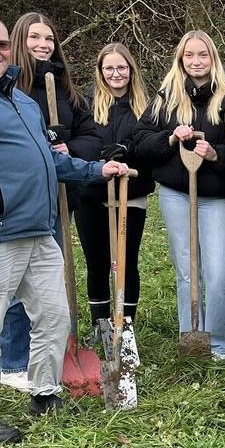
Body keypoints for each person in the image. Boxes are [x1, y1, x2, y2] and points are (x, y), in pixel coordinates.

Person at [0, 11, 128, 443]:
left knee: (54, 317)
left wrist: (95, 168)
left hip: (40, 230)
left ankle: (45, 392)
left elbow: (49, 160)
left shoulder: (20, 99)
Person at [0, 12, 98, 393]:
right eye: (34, 38)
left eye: (49, 39)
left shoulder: (65, 90)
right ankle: (12, 360)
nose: (43, 45)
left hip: (60, 198)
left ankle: (49, 355)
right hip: (19, 201)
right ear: (19, 40)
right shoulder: (6, 90)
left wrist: (66, 144)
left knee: (47, 281)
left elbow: (91, 135)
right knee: (14, 281)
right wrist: (41, 141)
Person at [134, 30, 225, 359]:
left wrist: (215, 154)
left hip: (215, 196)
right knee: (186, 269)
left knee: (218, 272)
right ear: (181, 59)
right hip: (177, 194)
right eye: (189, 55)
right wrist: (168, 137)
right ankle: (191, 336)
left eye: (202, 55)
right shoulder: (166, 96)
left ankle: (218, 344)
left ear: (213, 58)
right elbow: (140, 139)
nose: (196, 61)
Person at [75, 44, 154, 329]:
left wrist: (128, 149)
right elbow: (79, 142)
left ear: (131, 69)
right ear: (100, 71)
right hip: (92, 194)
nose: (115, 73)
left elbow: (152, 145)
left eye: (121, 67)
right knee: (96, 262)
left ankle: (126, 323)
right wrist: (96, 155)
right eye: (109, 68)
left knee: (125, 262)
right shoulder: (85, 104)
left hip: (130, 192)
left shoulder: (147, 105)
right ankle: (101, 324)